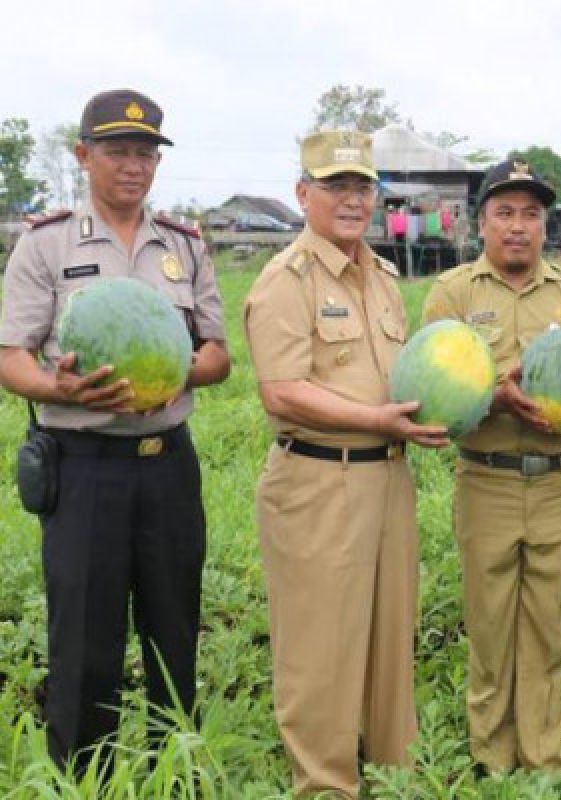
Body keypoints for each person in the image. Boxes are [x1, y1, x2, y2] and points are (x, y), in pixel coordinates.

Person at [0, 89, 229, 773]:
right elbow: (12, 355)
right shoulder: (45, 243)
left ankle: (172, 770)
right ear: (84, 155)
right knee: (85, 638)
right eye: (117, 151)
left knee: (173, 626)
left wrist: (180, 372)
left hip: (167, 465)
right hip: (84, 464)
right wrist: (56, 388)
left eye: (145, 153)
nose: (133, 166)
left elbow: (217, 351)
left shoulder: (183, 246)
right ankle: (82, 777)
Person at [243, 131, 449, 798]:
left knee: (392, 640)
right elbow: (282, 390)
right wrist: (376, 420)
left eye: (363, 187)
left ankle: (393, 775)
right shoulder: (287, 280)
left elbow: (400, 373)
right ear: (303, 194)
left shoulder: (384, 277)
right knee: (321, 652)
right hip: (317, 480)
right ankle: (326, 786)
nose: (352, 199)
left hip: (388, 478)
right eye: (336, 186)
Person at [422, 159, 561, 773]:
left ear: (544, 225)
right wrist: (496, 393)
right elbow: (432, 396)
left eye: (531, 214)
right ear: (482, 223)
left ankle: (546, 759)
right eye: (505, 213)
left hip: (558, 483)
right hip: (486, 478)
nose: (518, 226)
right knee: (490, 626)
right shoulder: (454, 293)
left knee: (553, 629)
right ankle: (490, 757)